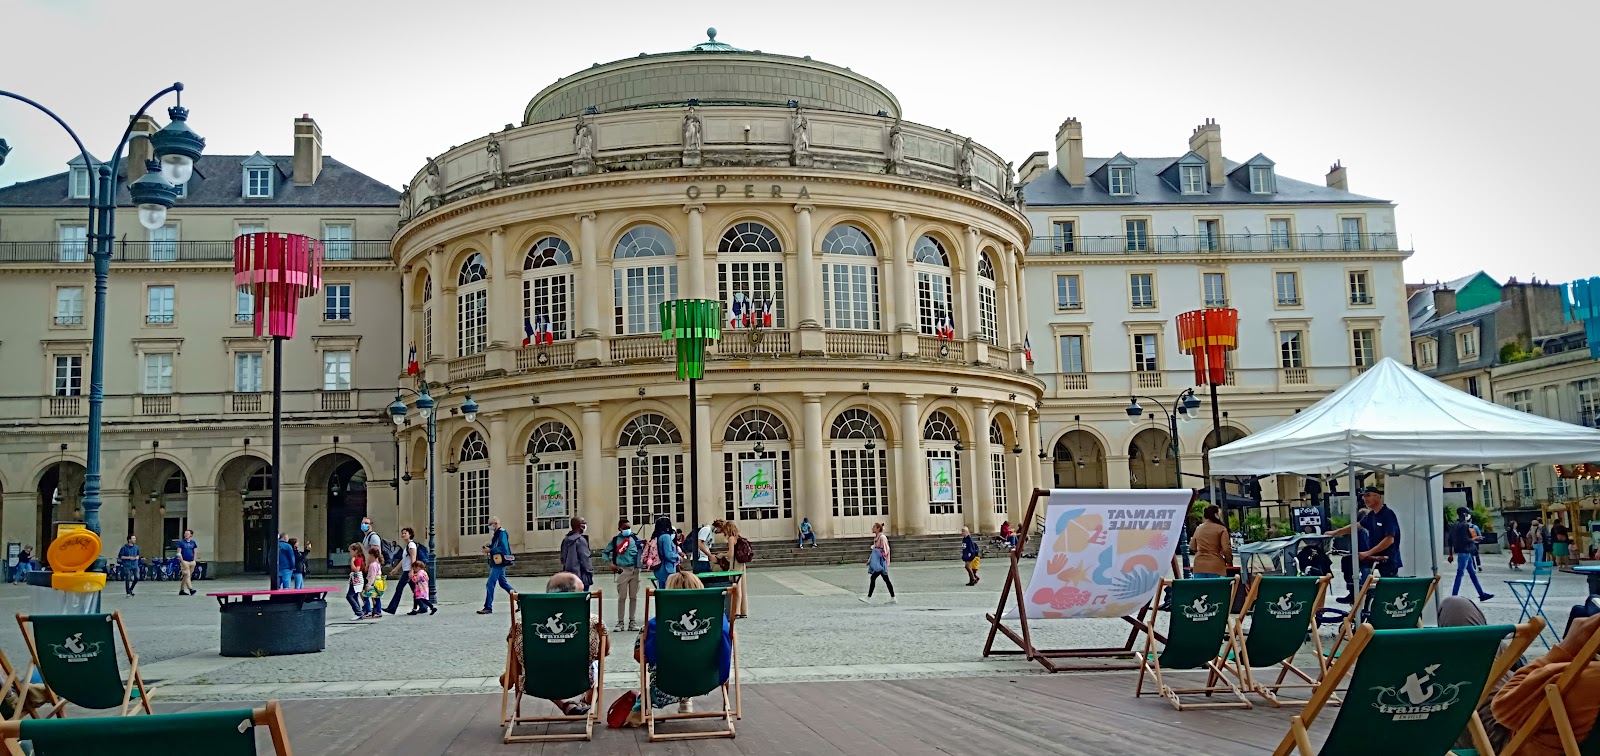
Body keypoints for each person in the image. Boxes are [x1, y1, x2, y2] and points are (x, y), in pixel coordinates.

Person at [500, 572, 607, 716]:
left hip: (536, 683)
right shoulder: (593, 622)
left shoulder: (521, 625)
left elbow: (517, 665)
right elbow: (604, 652)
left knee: (535, 664)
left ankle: (565, 706)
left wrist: (509, 676)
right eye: (582, 592)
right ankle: (588, 700)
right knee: (595, 662)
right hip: (580, 681)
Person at [1492, 613, 1600, 754]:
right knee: (1495, 647)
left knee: (1463, 615)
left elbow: (1502, 709)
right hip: (1534, 712)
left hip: (1510, 742)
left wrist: (1568, 646)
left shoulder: (1586, 678)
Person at [634, 571, 729, 715]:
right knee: (693, 650)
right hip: (707, 680)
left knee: (676, 651)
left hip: (667, 684)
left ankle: (643, 706)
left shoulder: (655, 625)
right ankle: (686, 699)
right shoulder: (719, 622)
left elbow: (640, 657)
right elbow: (725, 650)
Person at [1439, 596, 1519, 753]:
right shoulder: (1571, 671)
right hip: (1511, 715)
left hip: (1496, 732)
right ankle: (1486, 645)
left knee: (1455, 606)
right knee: (1488, 644)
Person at [1328, 486, 1401, 583]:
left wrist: (1368, 553)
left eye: (1368, 495)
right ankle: (1354, 590)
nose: (1365, 499)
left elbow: (1389, 540)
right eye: (1363, 496)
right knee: (1348, 561)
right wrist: (1335, 533)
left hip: (1388, 557)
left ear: (1378, 496)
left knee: (1389, 585)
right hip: (1373, 555)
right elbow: (1356, 526)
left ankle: (1372, 591)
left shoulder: (1388, 514)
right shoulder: (1371, 515)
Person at [604, 518, 643, 632]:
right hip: (622, 570)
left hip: (635, 570)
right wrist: (609, 563)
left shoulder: (635, 538)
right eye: (625, 528)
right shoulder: (616, 540)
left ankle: (632, 622)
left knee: (633, 597)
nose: (627, 530)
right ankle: (620, 623)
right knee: (622, 597)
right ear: (619, 529)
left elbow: (642, 551)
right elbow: (605, 552)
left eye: (629, 528)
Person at [1448, 507, 1494, 602]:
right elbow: (1465, 539)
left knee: (1472, 574)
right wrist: (1476, 539)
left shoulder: (1454, 525)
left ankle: (1481, 594)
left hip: (1462, 552)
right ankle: (1454, 595)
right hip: (1465, 551)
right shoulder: (1464, 525)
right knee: (1460, 574)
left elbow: (1450, 540)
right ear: (1464, 514)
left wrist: (1450, 554)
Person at [479, 515, 514, 615]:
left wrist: (491, 550)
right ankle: (520, 600)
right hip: (498, 561)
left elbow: (503, 548)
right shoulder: (498, 533)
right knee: (503, 583)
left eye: (490, 524)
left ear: (496, 523)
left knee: (490, 583)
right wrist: (490, 547)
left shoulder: (501, 533)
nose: (489, 526)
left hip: (499, 562)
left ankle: (488, 607)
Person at [385, 528, 421, 614]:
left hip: (408, 571)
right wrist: (396, 569)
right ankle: (423, 606)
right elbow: (403, 559)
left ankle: (392, 608)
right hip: (407, 570)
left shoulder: (411, 545)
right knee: (415, 590)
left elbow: (413, 559)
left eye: (405, 533)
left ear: (410, 534)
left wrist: (412, 570)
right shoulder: (407, 546)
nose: (403, 535)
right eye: (402, 533)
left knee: (399, 588)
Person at [1190, 504, 1232, 578]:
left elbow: (1192, 547)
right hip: (1215, 566)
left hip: (1199, 566)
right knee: (1216, 589)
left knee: (1200, 589)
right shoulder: (1221, 529)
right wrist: (1229, 561)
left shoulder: (1199, 528)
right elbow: (1225, 549)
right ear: (1216, 515)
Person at [859, 522, 896, 604]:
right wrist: (870, 560)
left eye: (874, 527)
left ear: (878, 528)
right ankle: (893, 597)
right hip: (878, 561)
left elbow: (886, 548)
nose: (872, 528)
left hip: (881, 562)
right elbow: (874, 551)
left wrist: (883, 557)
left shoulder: (882, 537)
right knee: (886, 580)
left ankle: (869, 597)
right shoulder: (877, 537)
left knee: (874, 578)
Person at [561, 517, 593, 590]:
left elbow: (562, 558)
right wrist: (590, 572)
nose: (585, 525)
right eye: (584, 523)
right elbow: (585, 559)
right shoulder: (580, 540)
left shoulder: (565, 540)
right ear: (580, 525)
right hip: (582, 577)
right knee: (583, 598)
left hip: (569, 576)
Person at [650, 517, 681, 588]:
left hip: (659, 568)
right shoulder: (666, 536)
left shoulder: (657, 536)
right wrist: (678, 557)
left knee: (661, 589)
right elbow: (668, 554)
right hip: (667, 569)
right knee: (669, 590)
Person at [362, 544, 385, 619]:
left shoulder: (373, 565)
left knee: (365, 596)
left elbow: (372, 576)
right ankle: (377, 611)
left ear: (372, 555)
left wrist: (368, 585)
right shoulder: (378, 564)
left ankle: (368, 611)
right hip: (379, 583)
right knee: (376, 598)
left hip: (374, 583)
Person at [175, 529, 198, 596]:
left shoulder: (193, 542)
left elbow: (195, 551)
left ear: (191, 535)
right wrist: (182, 562)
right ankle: (191, 589)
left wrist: (194, 560)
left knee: (187, 576)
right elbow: (179, 553)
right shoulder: (181, 543)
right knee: (187, 575)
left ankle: (181, 590)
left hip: (192, 561)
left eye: (187, 533)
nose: (186, 535)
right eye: (185, 533)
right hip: (184, 561)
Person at [347, 543, 367, 620]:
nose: (350, 553)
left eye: (351, 551)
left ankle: (358, 612)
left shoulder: (357, 559)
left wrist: (352, 562)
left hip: (356, 579)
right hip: (354, 579)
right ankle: (358, 612)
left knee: (350, 596)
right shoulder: (358, 559)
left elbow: (357, 570)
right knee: (354, 596)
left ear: (356, 551)